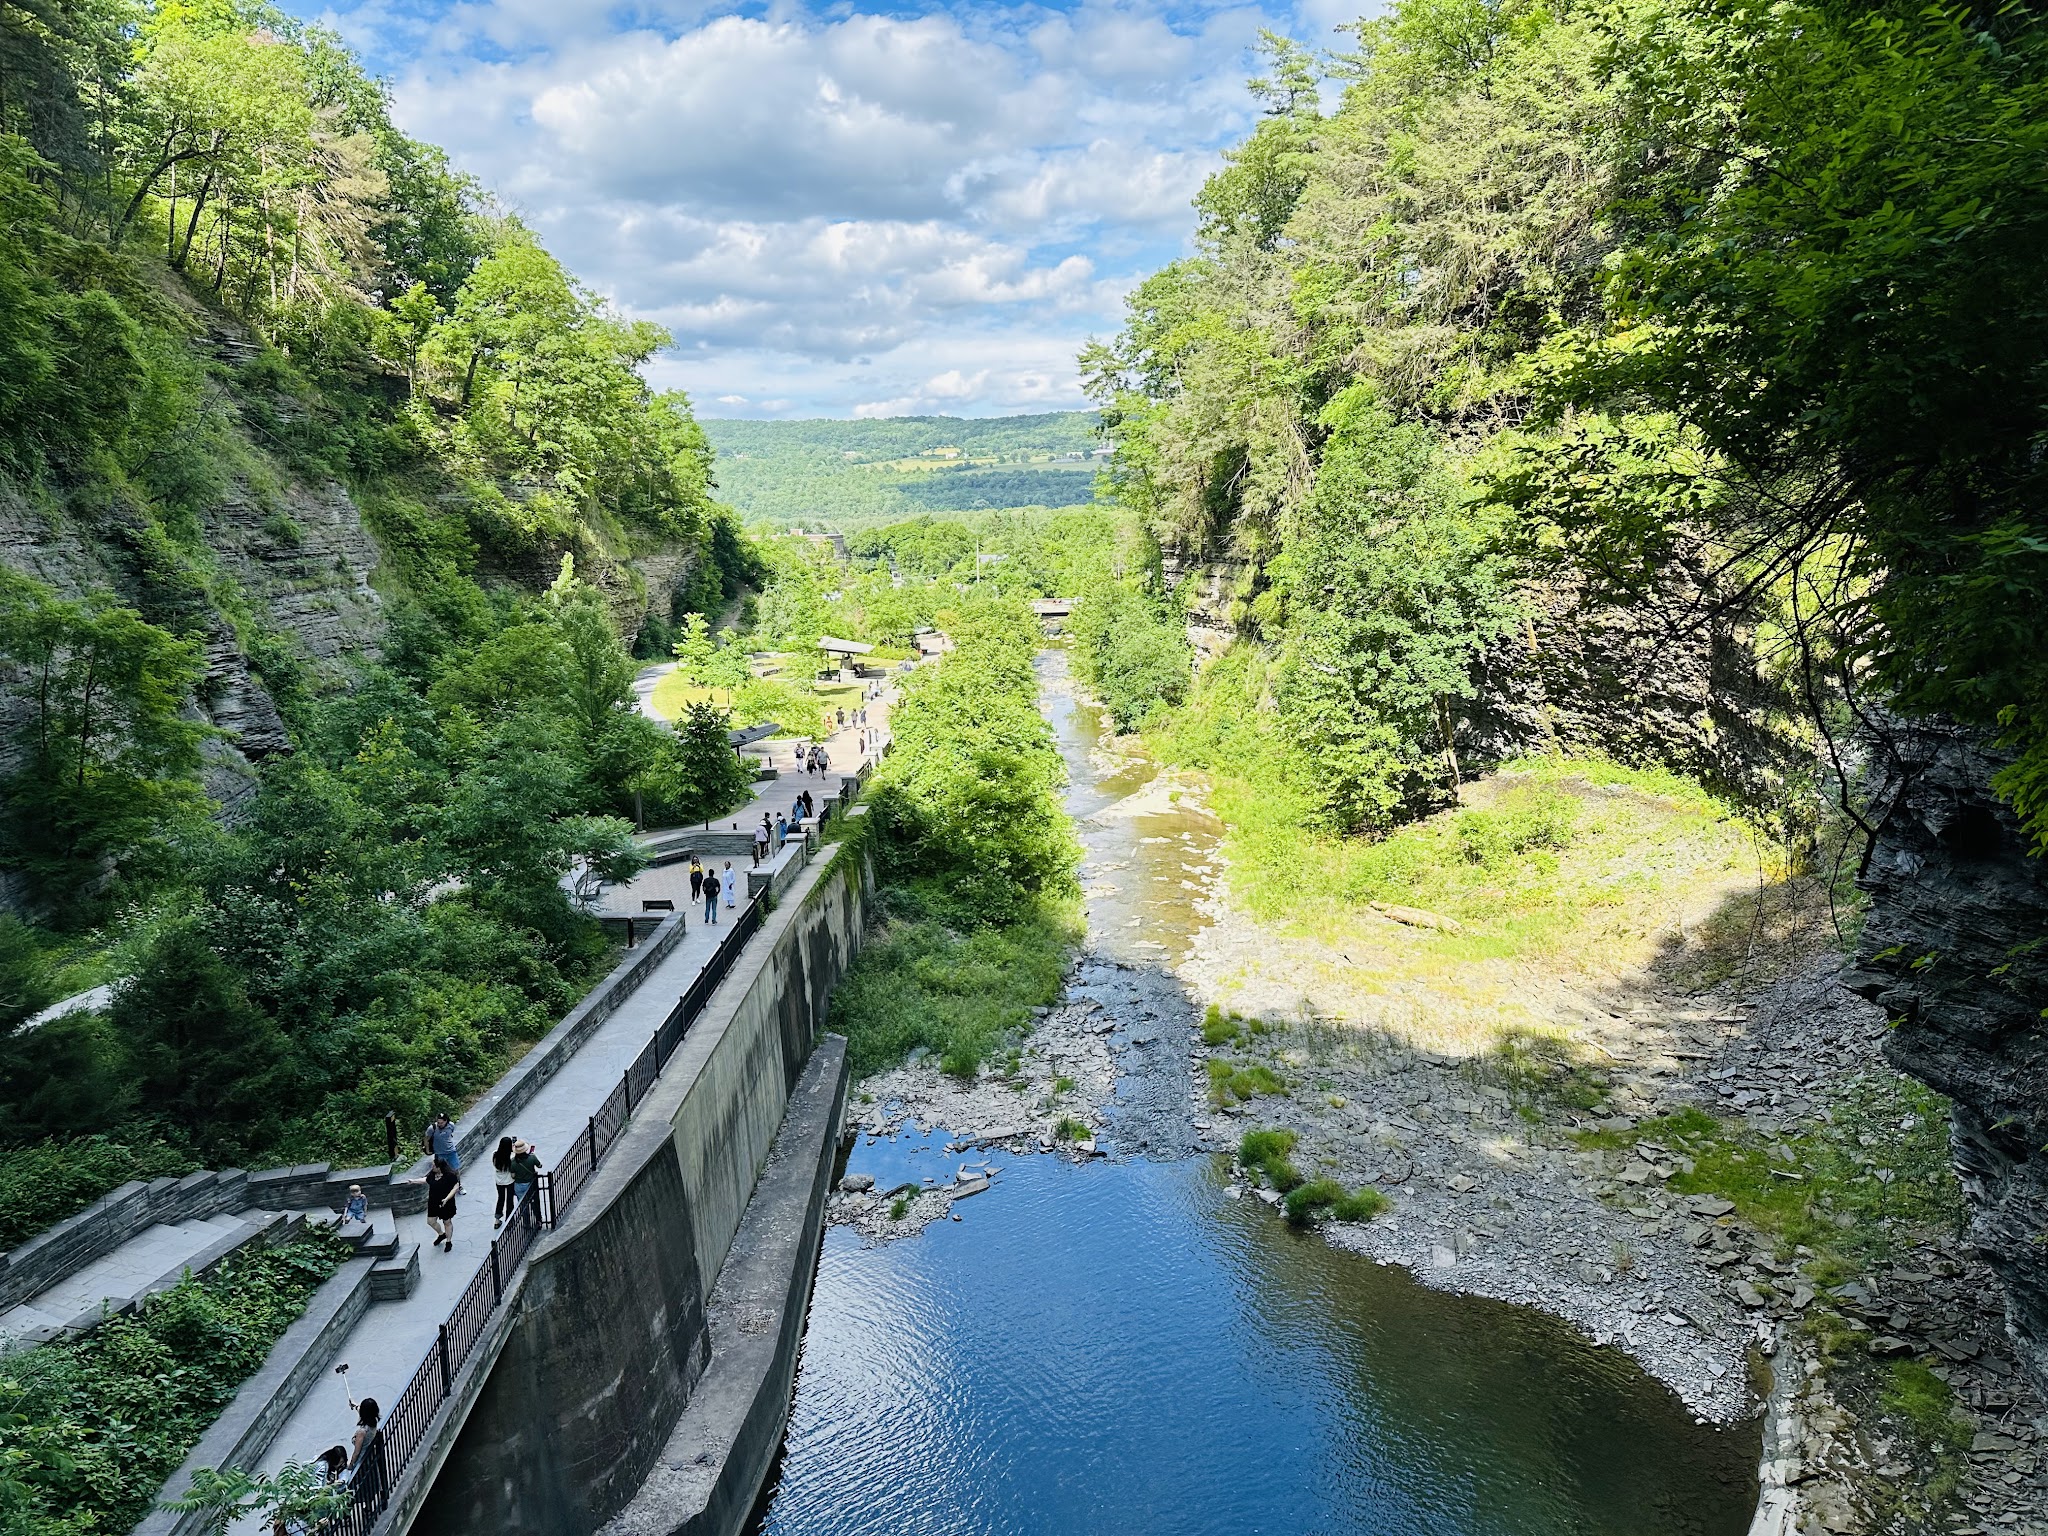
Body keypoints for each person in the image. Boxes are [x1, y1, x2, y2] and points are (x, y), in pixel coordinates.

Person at [348, 1399, 387, 1517]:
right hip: (370, 1458)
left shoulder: (362, 1432)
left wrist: (350, 1465)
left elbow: (356, 1452)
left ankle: (346, 1514)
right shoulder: (373, 1422)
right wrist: (355, 1406)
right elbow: (363, 1410)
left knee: (352, 1487)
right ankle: (368, 1507)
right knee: (369, 1483)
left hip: (361, 1462)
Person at [425, 1156, 458, 1252]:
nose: (432, 1167)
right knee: (431, 1221)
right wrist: (413, 1181)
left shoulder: (450, 1176)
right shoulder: (432, 1174)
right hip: (433, 1202)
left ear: (440, 1167)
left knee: (447, 1222)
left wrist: (447, 1199)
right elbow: (426, 1180)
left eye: (434, 1166)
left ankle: (448, 1241)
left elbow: (455, 1187)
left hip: (446, 1203)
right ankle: (441, 1234)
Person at [423, 1111, 461, 1180]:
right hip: (439, 1153)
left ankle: (459, 1185)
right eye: (438, 1122)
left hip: (451, 1151)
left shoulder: (451, 1125)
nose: (440, 1124)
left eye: (441, 1123)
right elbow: (426, 1139)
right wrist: (427, 1150)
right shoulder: (432, 1128)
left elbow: (450, 1134)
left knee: (456, 1170)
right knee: (442, 1172)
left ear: (446, 1121)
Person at [510, 1140, 543, 1219]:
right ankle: (538, 1219)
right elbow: (540, 1166)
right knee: (535, 1202)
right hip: (531, 1184)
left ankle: (526, 1223)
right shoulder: (532, 1157)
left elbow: (513, 1176)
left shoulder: (513, 1162)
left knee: (523, 1205)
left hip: (519, 1185)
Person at [491, 1136, 516, 1230]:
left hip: (499, 1181)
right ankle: (509, 1221)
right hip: (509, 1181)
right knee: (510, 1200)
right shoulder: (511, 1157)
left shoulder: (495, 1155)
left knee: (500, 1199)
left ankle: (497, 1220)